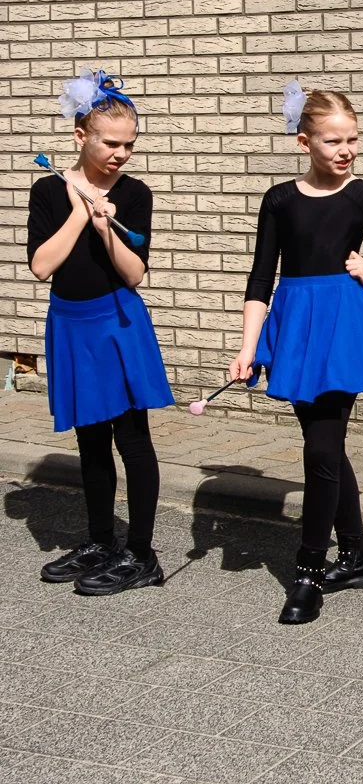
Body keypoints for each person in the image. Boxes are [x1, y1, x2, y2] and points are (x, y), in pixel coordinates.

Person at [227, 83, 363, 625]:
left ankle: (308, 572)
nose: (346, 149)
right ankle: (356, 555)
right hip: (294, 325)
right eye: (333, 141)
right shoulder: (279, 199)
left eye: (352, 139)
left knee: (321, 450)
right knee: (322, 447)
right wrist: (248, 347)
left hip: (342, 326)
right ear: (304, 142)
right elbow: (261, 278)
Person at [27, 69, 174, 595]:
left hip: (117, 322)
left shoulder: (134, 194)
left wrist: (105, 224)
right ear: (79, 136)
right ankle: (100, 541)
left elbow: (134, 273)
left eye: (129, 144)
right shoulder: (49, 190)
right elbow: (42, 266)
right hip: (70, 322)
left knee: (132, 439)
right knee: (90, 437)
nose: (121, 154)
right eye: (110, 143)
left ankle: (141, 553)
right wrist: (78, 208)